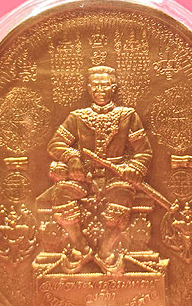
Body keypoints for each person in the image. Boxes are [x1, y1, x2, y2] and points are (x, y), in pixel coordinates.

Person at [47, 66, 152, 272]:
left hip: (116, 176)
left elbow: (144, 151)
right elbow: (55, 144)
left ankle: (105, 251)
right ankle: (81, 248)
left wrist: (133, 168)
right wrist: (72, 158)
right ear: (89, 89)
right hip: (84, 176)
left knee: (122, 197)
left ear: (113, 88)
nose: (100, 90)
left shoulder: (127, 116)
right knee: (61, 194)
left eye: (104, 85)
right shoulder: (78, 117)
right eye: (95, 86)